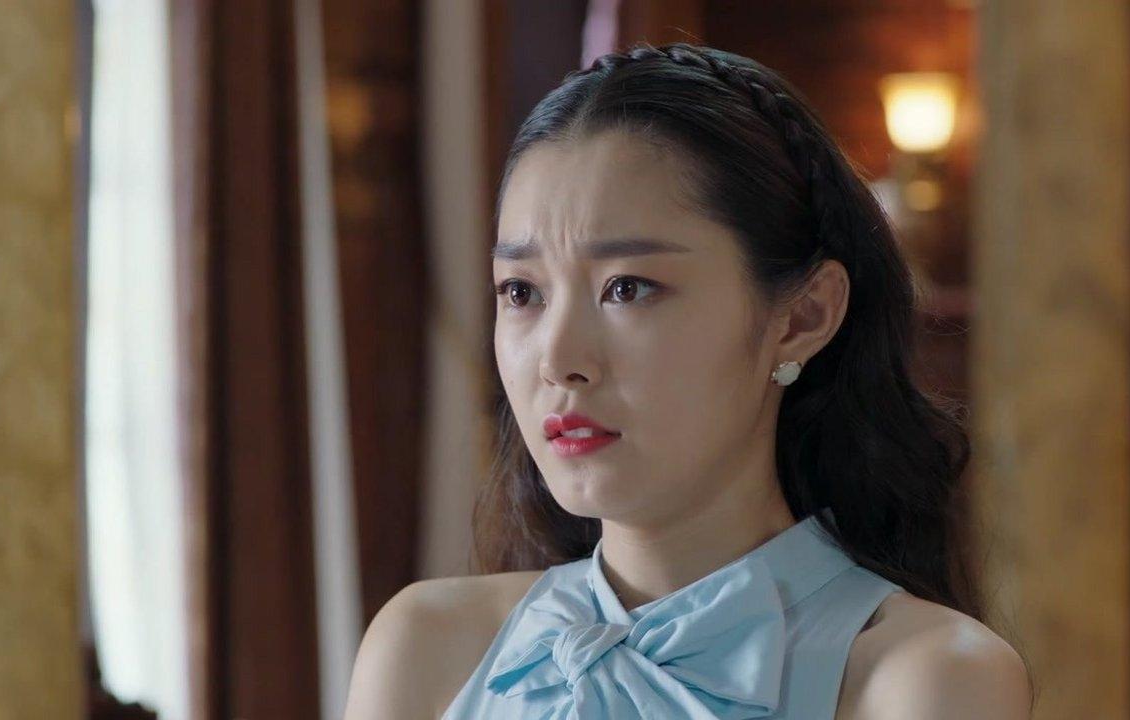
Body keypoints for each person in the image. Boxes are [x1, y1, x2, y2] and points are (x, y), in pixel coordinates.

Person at [345, 41, 1033, 719]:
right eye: (522, 292)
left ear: (803, 317)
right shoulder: (427, 648)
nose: (558, 359)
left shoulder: (923, 679)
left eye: (628, 287)